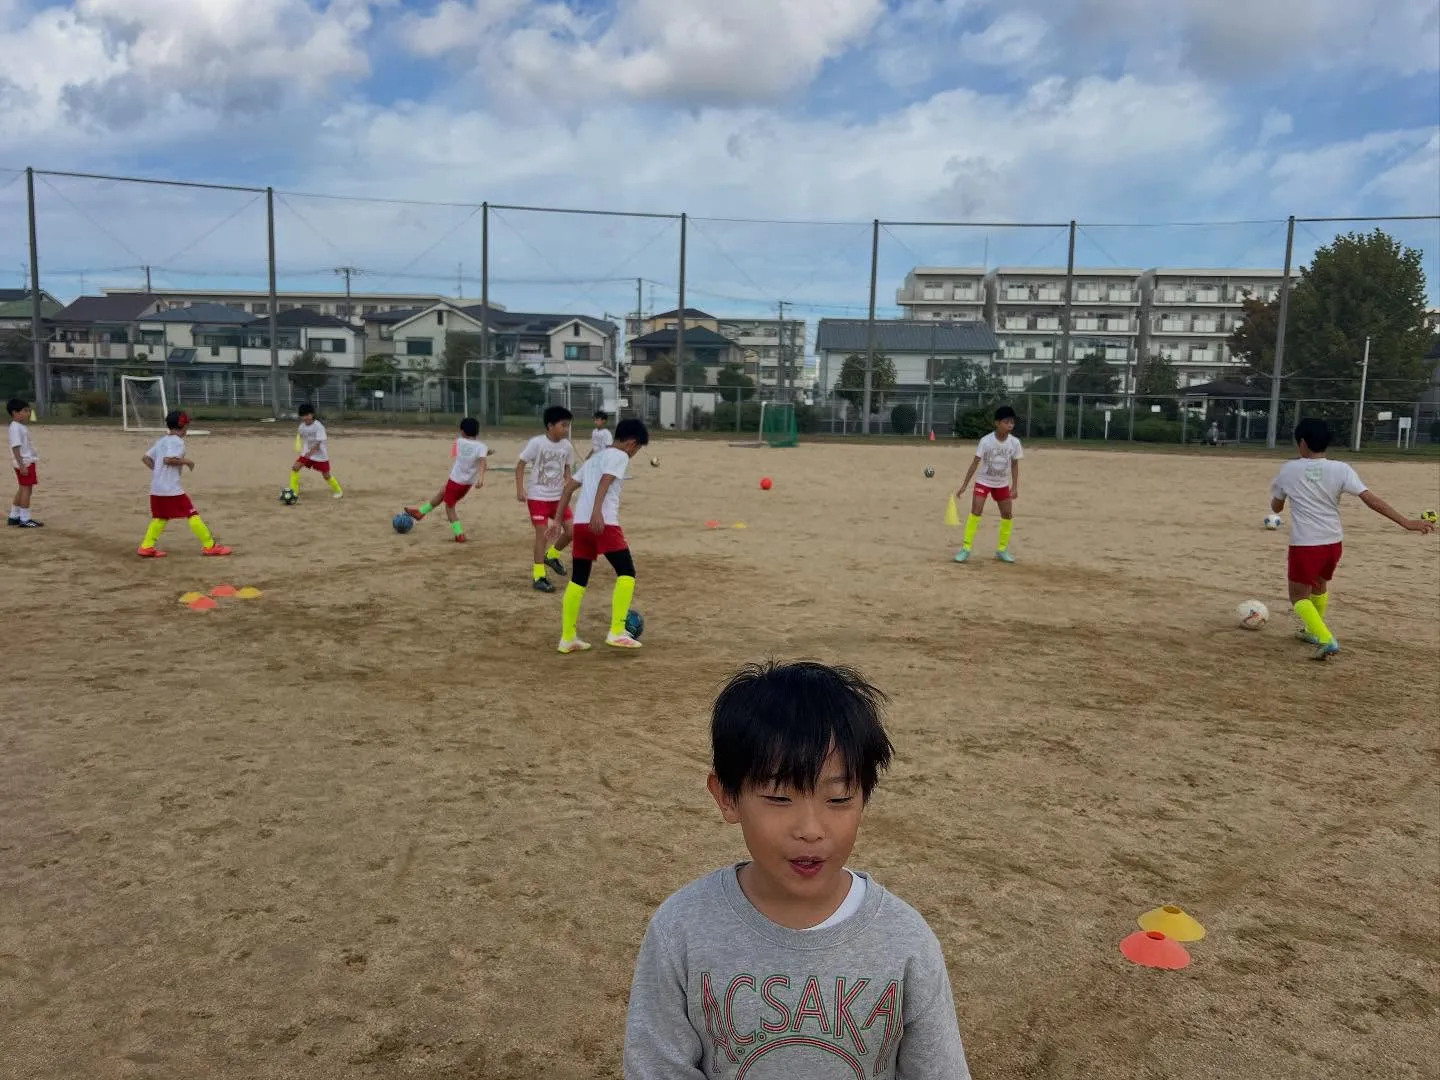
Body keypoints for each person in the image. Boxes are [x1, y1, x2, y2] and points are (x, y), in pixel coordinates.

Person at [623, 660, 971, 1078]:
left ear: (864, 798)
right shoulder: (680, 930)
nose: (811, 830)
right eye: (779, 797)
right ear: (727, 797)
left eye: (839, 798)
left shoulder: (906, 941)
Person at [1269, 417, 1433, 660]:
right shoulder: (1341, 469)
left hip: (1306, 543)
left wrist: (1279, 499)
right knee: (1319, 585)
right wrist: (1406, 522)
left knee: (1298, 596)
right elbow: (1370, 499)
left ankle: (1325, 639)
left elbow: (1276, 508)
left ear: (1302, 443)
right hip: (1333, 542)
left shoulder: (1289, 469)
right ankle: (1313, 630)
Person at [550, 417, 647, 652]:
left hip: (581, 525)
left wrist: (557, 519)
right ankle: (617, 630)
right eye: (638, 449)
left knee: (578, 579)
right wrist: (597, 512)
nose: (634, 454)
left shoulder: (595, 459)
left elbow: (568, 488)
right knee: (627, 572)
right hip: (603, 523)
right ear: (632, 443)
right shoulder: (620, 456)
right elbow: (606, 481)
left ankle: (568, 637)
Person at [137, 410, 231, 558]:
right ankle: (209, 546)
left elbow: (145, 458)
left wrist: (159, 472)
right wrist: (187, 462)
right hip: (171, 489)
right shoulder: (177, 442)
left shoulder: (162, 441)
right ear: (183, 425)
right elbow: (168, 459)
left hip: (157, 488)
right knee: (192, 514)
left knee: (160, 517)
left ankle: (146, 546)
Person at [517, 405, 577, 593]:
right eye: (563, 425)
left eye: (568, 426)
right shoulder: (537, 443)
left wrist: (568, 479)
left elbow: (567, 467)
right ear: (550, 426)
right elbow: (520, 466)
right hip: (538, 498)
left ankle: (552, 555)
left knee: (571, 531)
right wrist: (520, 489)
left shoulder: (567, 446)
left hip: (558, 498)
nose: (566, 430)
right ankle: (539, 576)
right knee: (542, 535)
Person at [954, 404, 1023, 564]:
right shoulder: (986, 441)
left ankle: (1002, 549)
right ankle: (966, 548)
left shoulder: (1015, 443)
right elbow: (975, 462)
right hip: (984, 482)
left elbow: (1014, 464)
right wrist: (964, 485)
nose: (1010, 425)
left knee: (1007, 514)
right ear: (997, 423)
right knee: (976, 510)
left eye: (1012, 422)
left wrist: (1015, 487)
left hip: (1002, 484)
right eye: (1006, 422)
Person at [405, 418, 488, 543]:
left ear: (462, 431)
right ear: (477, 432)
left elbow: (463, 453)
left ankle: (459, 534)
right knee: (442, 492)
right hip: (466, 484)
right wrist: (481, 478)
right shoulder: (482, 447)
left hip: (455, 480)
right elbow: (482, 462)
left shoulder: (459, 442)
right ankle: (420, 513)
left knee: (450, 507)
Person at [289, 403, 343, 500]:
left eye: (307, 415)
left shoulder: (319, 426)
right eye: (303, 415)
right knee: (295, 468)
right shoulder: (302, 426)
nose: (305, 417)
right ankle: (293, 491)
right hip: (307, 453)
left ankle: (338, 491)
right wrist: (299, 444)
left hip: (320, 455)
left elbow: (318, 444)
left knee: (326, 475)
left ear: (312, 414)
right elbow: (300, 435)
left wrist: (308, 454)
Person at [7, 397, 41, 528]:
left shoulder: (19, 426)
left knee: (22, 488)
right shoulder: (16, 428)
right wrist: (22, 465)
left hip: (25, 462)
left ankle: (14, 515)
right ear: (15, 413)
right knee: (27, 489)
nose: (28, 413)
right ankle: (25, 518)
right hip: (25, 463)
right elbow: (16, 447)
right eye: (25, 411)